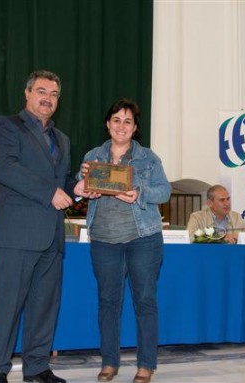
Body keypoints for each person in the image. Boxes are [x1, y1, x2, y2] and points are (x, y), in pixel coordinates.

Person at [0, 70, 78, 383]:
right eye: (41, 91)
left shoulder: (62, 139)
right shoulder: (7, 126)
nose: (47, 98)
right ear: (27, 94)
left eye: (53, 94)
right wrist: (50, 193)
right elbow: (6, 168)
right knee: (7, 306)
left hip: (51, 235)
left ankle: (37, 366)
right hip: (15, 233)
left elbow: (62, 182)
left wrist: (80, 188)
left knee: (44, 305)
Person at [74, 98, 171, 383]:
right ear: (108, 124)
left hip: (143, 239)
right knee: (108, 302)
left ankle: (146, 365)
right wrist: (85, 190)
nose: (121, 126)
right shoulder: (93, 155)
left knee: (145, 301)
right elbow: (82, 189)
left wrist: (139, 191)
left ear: (135, 127)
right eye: (116, 120)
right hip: (104, 239)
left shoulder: (148, 158)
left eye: (127, 121)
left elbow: (165, 191)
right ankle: (109, 362)